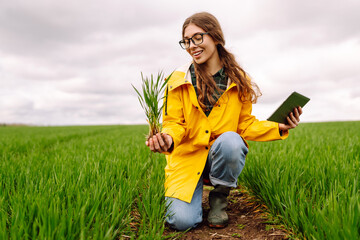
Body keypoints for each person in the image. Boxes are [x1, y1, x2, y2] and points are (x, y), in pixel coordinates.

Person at [146, 12, 302, 231]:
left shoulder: (238, 80)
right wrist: (168, 138)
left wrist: (278, 126)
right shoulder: (178, 79)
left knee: (232, 140)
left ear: (216, 36)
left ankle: (219, 197)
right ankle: (192, 195)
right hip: (187, 159)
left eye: (197, 37)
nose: (191, 46)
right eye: (186, 41)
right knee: (181, 222)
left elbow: (244, 125)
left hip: (219, 154)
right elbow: (173, 122)